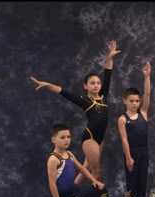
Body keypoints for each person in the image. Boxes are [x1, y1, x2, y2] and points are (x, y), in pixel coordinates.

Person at [30, 40, 121, 184]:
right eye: (92, 83)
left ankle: (71, 195)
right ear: (86, 86)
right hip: (90, 138)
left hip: (100, 139)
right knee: (96, 172)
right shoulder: (85, 101)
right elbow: (63, 92)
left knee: (85, 169)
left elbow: (108, 74)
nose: (96, 85)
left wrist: (109, 57)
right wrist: (47, 85)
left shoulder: (103, 96)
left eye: (98, 83)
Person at [16, 124, 122, 197]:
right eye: (62, 137)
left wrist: (94, 181)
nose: (67, 140)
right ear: (53, 139)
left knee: (101, 189)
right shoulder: (53, 159)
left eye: (68, 137)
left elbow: (81, 168)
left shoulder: (69, 154)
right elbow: (52, 184)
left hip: (74, 191)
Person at [117, 62, 151, 197]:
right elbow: (124, 139)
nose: (135, 104)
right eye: (131, 101)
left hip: (144, 152)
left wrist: (147, 77)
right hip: (131, 152)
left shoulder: (143, 113)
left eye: (137, 101)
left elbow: (148, 94)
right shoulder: (122, 119)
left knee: (142, 180)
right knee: (132, 181)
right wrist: (128, 156)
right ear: (125, 101)